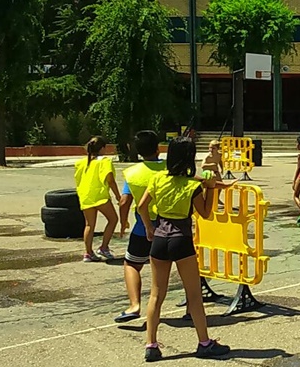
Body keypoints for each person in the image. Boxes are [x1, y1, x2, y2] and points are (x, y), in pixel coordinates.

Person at [137, 137, 235, 361]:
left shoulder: (158, 178)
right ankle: (204, 342)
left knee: (156, 294)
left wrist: (149, 227)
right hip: (181, 238)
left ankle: (151, 344)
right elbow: (206, 213)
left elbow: (141, 206)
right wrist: (211, 189)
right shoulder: (191, 186)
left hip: (160, 237)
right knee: (193, 294)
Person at [113, 131, 166, 323]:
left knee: (132, 264)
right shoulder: (170, 168)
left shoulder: (133, 173)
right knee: (181, 266)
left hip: (143, 228)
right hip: (171, 226)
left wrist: (123, 221)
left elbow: (124, 201)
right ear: (158, 148)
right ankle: (191, 305)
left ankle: (134, 305)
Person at [74, 136, 121, 262]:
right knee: (113, 219)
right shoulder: (104, 161)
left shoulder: (81, 162)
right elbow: (110, 180)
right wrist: (118, 196)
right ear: (102, 148)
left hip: (86, 196)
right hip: (100, 196)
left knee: (89, 224)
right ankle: (104, 247)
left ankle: (88, 253)